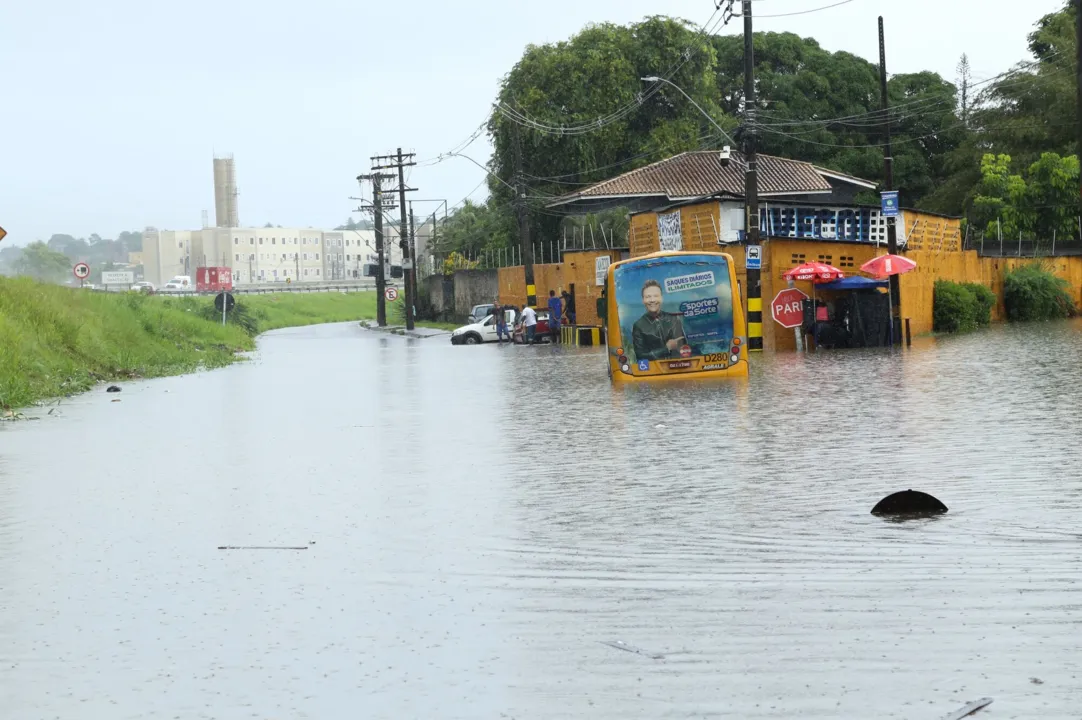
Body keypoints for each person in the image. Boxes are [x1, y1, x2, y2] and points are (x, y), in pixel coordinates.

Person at [631, 279, 686, 361]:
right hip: (653, 371)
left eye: (656, 296)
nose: (652, 300)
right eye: (648, 297)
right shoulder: (638, 326)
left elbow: (684, 349)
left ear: (661, 298)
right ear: (643, 300)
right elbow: (640, 356)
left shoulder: (673, 319)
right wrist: (666, 349)